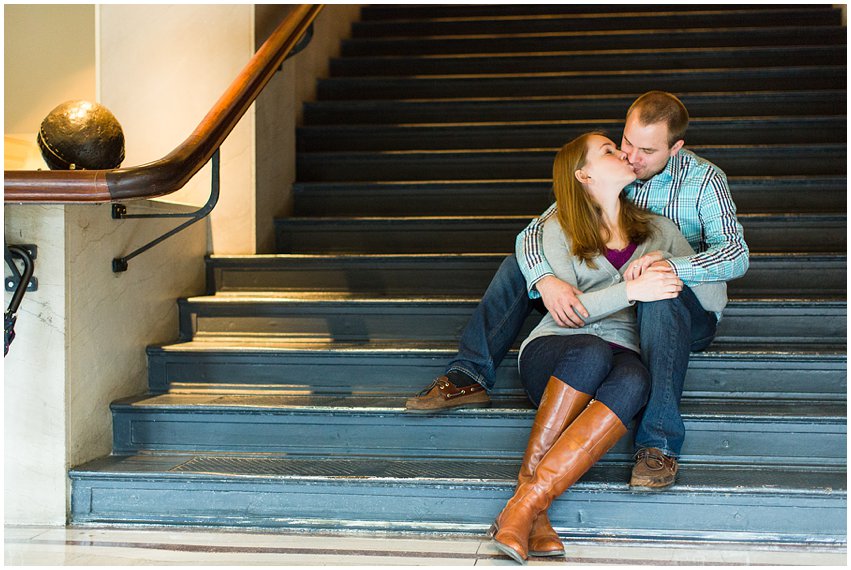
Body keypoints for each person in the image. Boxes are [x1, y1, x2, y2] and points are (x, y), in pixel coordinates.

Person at [406, 91, 749, 491]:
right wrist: (545, 280)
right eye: (626, 144)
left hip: (681, 306)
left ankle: (658, 442)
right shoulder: (610, 173)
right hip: (611, 307)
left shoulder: (704, 181)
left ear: (676, 148)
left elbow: (736, 254)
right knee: (522, 264)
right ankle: (470, 372)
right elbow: (535, 232)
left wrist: (667, 266)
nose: (632, 158)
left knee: (660, 296)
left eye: (647, 151)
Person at [488, 132, 727, 563]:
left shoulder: (660, 230)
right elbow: (569, 312)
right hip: (557, 351)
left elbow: (714, 299)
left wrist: (672, 268)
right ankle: (528, 503)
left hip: (623, 356)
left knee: (637, 379)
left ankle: (526, 505)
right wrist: (634, 290)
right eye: (610, 150)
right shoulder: (557, 228)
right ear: (583, 174)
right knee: (593, 351)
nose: (624, 154)